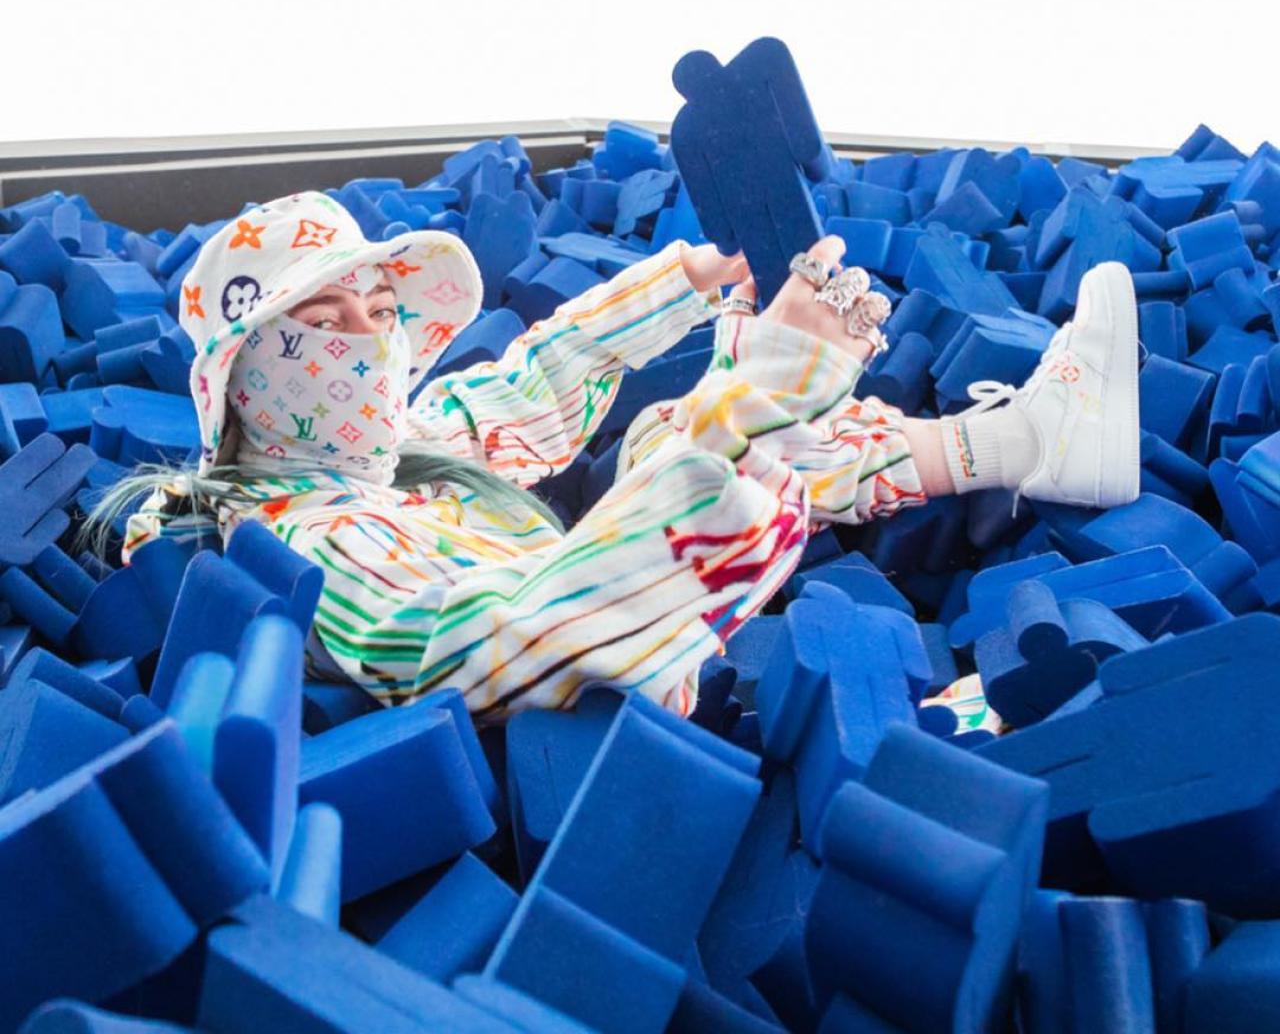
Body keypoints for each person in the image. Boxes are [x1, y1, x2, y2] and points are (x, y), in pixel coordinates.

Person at [108, 190, 1139, 724]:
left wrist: (694, 277)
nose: (371, 343)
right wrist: (758, 395)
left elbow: (538, 379)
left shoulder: (394, 450)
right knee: (701, 440)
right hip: (626, 702)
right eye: (326, 322)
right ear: (243, 376)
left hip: (636, 602)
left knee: (676, 436)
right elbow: (488, 644)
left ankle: (1025, 441)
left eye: (381, 311)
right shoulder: (297, 539)